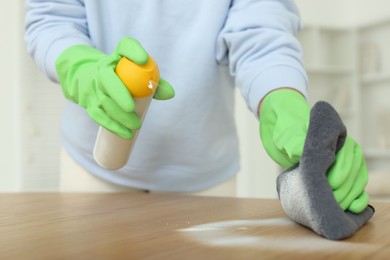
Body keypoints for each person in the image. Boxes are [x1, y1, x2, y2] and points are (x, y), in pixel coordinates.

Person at [25, 0, 369, 213]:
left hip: (205, 179)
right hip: (93, 170)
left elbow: (260, 27)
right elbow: (52, 19)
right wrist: (81, 68)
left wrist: (280, 95)